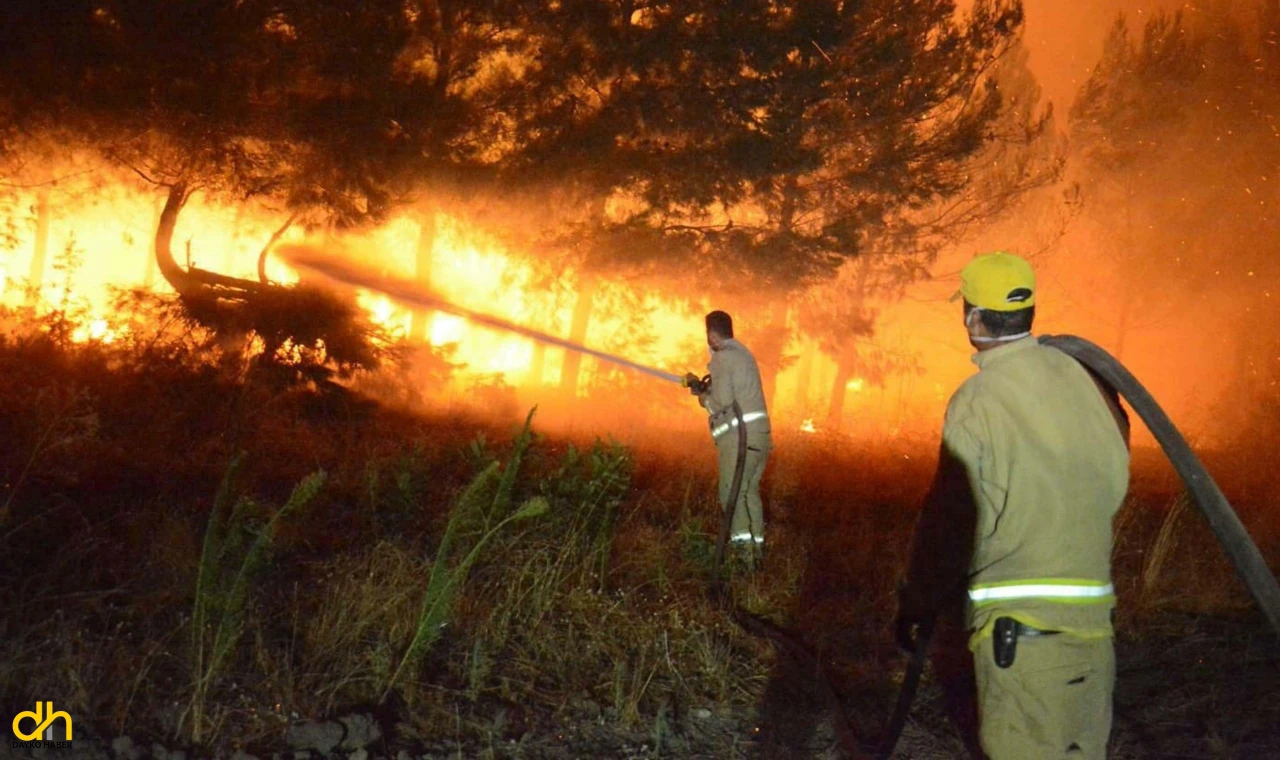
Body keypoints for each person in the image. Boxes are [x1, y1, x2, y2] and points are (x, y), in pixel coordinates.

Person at [895, 251, 1131, 760]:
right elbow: (1114, 468)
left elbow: (951, 521)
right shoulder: (1086, 381)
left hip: (1020, 636)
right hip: (1094, 626)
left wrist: (918, 600)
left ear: (974, 318)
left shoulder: (977, 401)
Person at [694, 310, 772, 566]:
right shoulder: (743, 355)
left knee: (731, 493)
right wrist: (708, 388)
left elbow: (723, 404)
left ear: (711, 334)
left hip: (740, 439)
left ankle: (742, 559)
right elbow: (734, 392)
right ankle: (757, 555)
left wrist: (703, 398)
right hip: (759, 438)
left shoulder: (722, 358)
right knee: (749, 491)